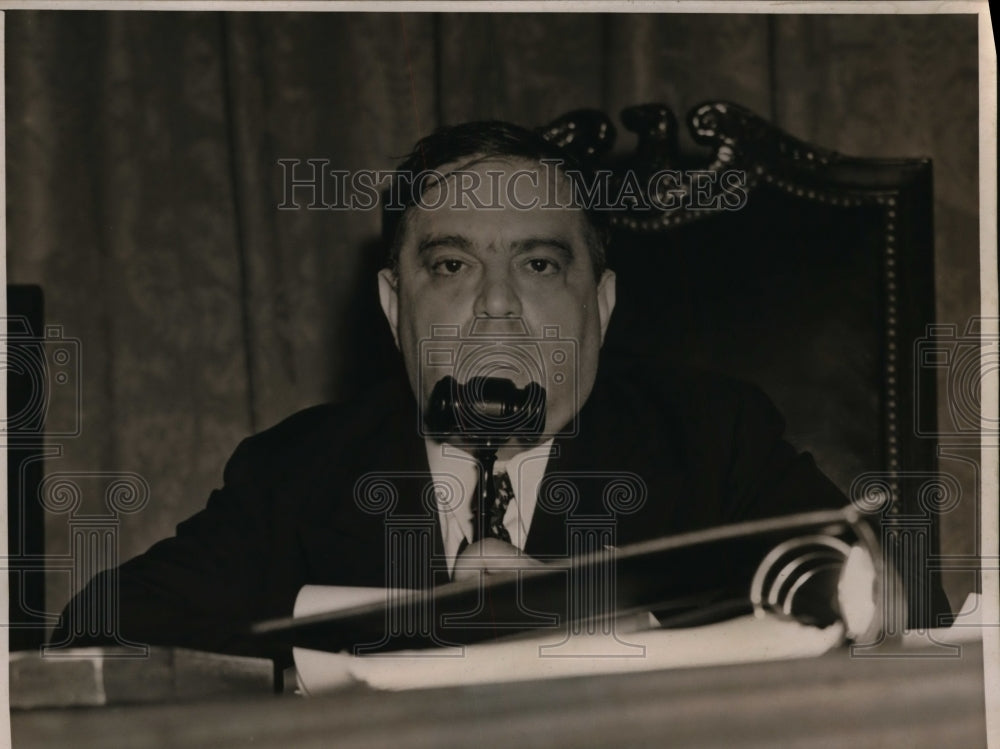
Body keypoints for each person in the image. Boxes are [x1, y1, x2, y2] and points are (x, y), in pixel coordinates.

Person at [53, 121, 848, 664]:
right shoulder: (297, 471)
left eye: (538, 265)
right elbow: (98, 630)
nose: (496, 305)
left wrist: (607, 626)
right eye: (451, 265)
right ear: (395, 304)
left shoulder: (711, 438)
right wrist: (392, 635)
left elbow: (892, 593)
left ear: (599, 304)